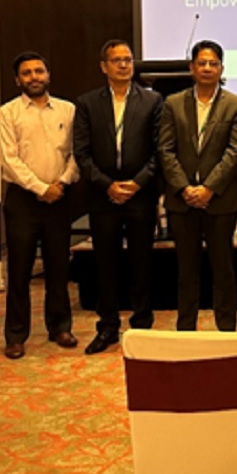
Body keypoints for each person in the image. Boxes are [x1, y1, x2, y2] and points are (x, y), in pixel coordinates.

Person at [73, 40, 162, 354]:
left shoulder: (152, 101)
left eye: (128, 59)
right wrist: (108, 185)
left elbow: (160, 150)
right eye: (116, 60)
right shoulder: (87, 103)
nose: (124, 65)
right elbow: (81, 153)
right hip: (103, 198)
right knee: (105, 264)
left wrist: (137, 183)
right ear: (104, 66)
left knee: (141, 263)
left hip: (141, 196)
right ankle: (108, 326)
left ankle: (142, 324)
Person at [0, 51, 79, 359]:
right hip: (23, 200)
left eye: (39, 71)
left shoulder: (68, 110)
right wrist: (41, 188)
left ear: (48, 75)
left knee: (58, 266)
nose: (34, 77)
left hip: (60, 197)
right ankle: (16, 335)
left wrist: (62, 183)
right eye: (27, 73)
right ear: (18, 80)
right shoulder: (7, 113)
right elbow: (9, 159)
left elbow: (77, 152)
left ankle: (60, 327)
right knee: (19, 270)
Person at [159, 39, 237, 332]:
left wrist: (209, 188)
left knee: (223, 270)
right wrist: (184, 188)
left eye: (213, 63)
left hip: (220, 200)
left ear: (221, 68)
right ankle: (186, 330)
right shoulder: (173, 104)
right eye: (202, 63)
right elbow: (165, 150)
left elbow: (235, 151)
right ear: (192, 68)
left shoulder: (236, 104)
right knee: (187, 271)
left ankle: (226, 330)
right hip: (182, 201)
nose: (207, 68)